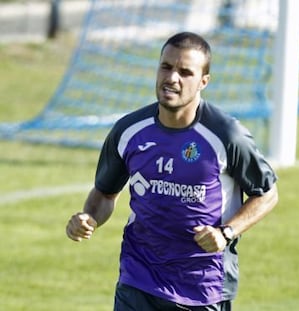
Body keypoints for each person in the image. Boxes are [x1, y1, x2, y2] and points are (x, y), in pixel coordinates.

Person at [66, 31, 278, 311]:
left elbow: (267, 194)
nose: (172, 78)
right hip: (138, 280)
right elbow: (105, 194)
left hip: (203, 287)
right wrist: (88, 217)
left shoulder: (227, 135)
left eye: (185, 72)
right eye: (166, 67)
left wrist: (226, 233)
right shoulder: (129, 131)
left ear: (204, 81)